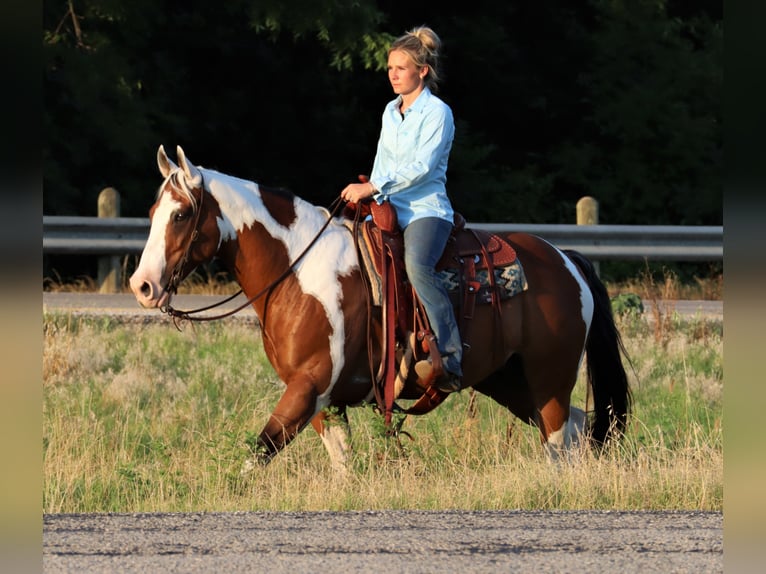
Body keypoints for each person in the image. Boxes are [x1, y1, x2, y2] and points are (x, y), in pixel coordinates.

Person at [340, 26, 462, 393]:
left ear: (422, 71)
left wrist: (373, 187)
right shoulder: (390, 112)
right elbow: (382, 162)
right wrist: (368, 195)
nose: (392, 74)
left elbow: (422, 167)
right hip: (388, 206)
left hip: (426, 210)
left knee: (417, 266)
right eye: (390, 67)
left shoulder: (438, 113)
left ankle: (452, 355)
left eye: (401, 68)